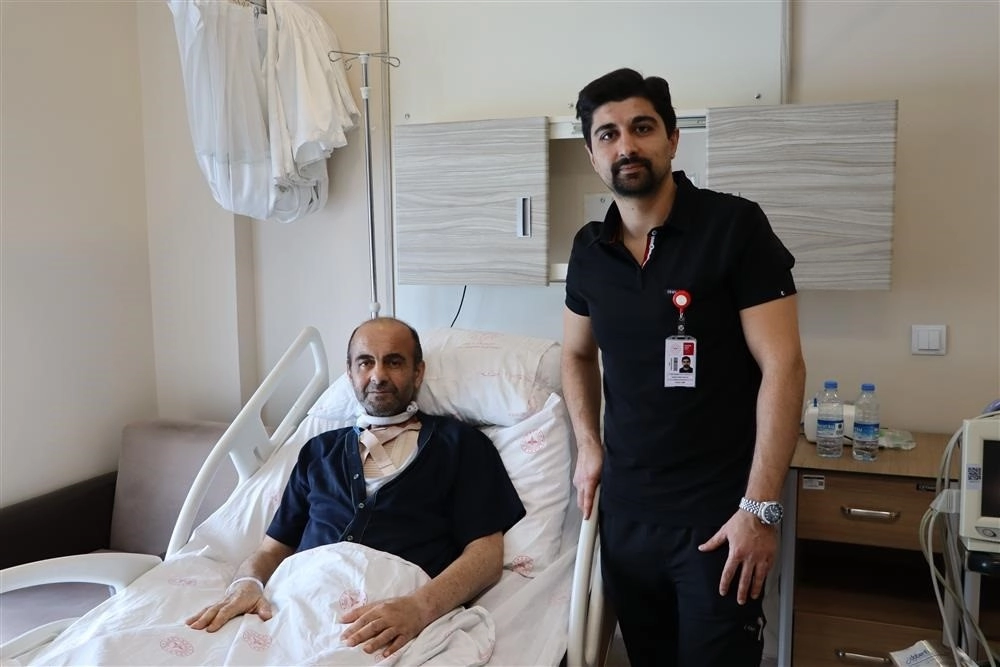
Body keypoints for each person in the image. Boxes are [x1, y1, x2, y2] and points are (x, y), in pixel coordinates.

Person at [561, 68, 806, 667]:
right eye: (608, 134)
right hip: (627, 516)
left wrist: (760, 509)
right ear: (592, 155)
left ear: (672, 139)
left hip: (720, 516)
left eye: (642, 128)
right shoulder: (589, 251)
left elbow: (784, 366)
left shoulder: (734, 227)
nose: (626, 146)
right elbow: (575, 353)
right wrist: (589, 446)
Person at [186, 317, 525, 659]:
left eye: (394, 362)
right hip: (296, 608)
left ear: (418, 373)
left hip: (392, 618)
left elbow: (485, 556)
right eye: (365, 362)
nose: (378, 375)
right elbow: (272, 550)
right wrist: (247, 583)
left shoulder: (461, 445)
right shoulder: (319, 451)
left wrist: (419, 608)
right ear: (349, 373)